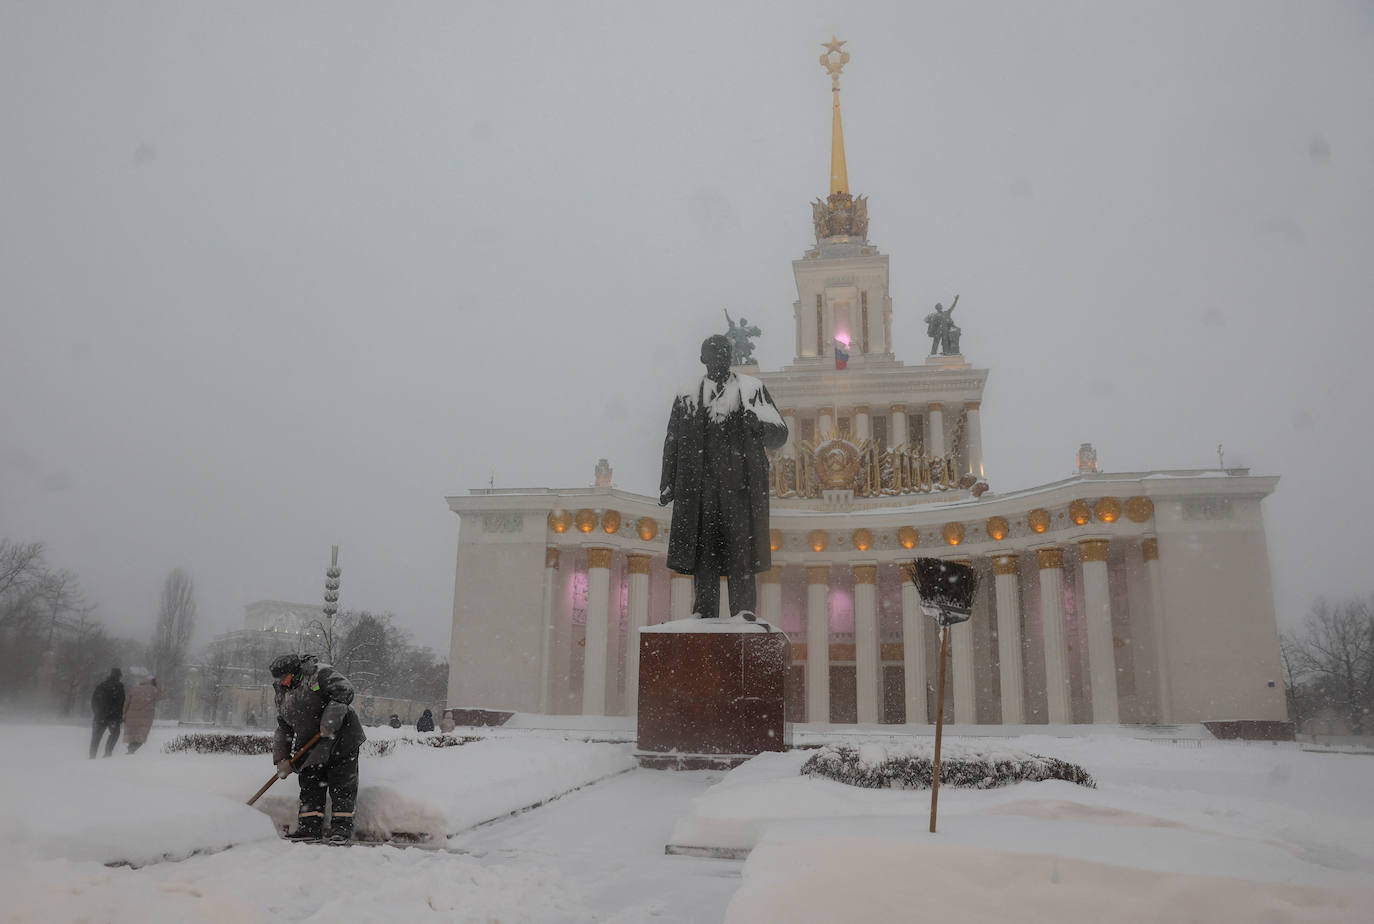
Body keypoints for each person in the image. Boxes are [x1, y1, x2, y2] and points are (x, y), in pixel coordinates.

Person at [660, 334, 788, 621]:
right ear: (703, 359)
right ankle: (704, 609)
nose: (721, 359)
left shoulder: (751, 389)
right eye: (715, 355)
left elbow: (780, 434)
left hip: (740, 488)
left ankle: (743, 609)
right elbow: (673, 439)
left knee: (740, 548)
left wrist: (759, 426)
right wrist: (668, 482)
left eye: (725, 354)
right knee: (704, 550)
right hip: (700, 488)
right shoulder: (688, 394)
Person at [269, 653, 366, 844]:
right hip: (312, 743)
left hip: (342, 737)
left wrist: (331, 719)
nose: (283, 682)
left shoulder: (319, 674)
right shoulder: (281, 692)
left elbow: (345, 691)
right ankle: (309, 827)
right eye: (279, 680)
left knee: (342, 784)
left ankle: (341, 829)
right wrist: (282, 760)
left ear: (295, 672)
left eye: (285, 678)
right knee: (310, 783)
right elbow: (284, 727)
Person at [89, 667, 125, 759]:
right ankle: (108, 753)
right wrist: (119, 716)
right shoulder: (119, 687)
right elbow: (121, 703)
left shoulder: (101, 686)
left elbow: (93, 701)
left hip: (100, 716)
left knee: (96, 737)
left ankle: (92, 756)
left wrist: (97, 712)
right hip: (113, 717)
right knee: (115, 734)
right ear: (119, 676)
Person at [122, 676, 162, 754]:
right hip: (146, 717)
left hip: (131, 715)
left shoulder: (134, 689)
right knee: (141, 735)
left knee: (132, 734)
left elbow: (126, 703)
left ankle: (130, 750)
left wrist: (124, 714)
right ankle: (131, 750)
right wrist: (157, 686)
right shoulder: (154, 690)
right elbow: (161, 696)